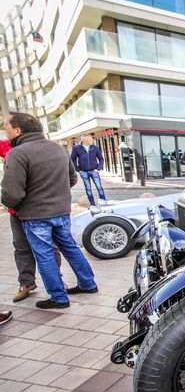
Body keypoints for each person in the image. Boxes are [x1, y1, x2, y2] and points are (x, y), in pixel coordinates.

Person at [1, 112, 98, 310]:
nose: (5, 129)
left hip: (35, 215)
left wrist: (16, 204)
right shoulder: (58, 148)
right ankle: (88, 284)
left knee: (44, 254)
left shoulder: (17, 154)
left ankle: (58, 297)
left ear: (18, 130)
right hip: (61, 211)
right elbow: (72, 179)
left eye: (7, 126)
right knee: (70, 248)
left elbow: (11, 193)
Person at [2, 137, 62, 303]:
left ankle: (57, 281)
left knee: (49, 246)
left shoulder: (44, 149)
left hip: (38, 210)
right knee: (21, 247)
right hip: (17, 211)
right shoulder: (10, 147)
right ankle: (26, 283)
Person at [70, 134, 106, 207]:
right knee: (88, 189)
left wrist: (98, 168)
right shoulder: (77, 148)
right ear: (85, 141)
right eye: (90, 139)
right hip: (83, 172)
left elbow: (101, 159)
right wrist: (78, 169)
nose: (92, 140)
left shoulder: (95, 148)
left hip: (94, 171)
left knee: (99, 188)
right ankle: (92, 205)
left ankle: (104, 203)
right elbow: (72, 159)